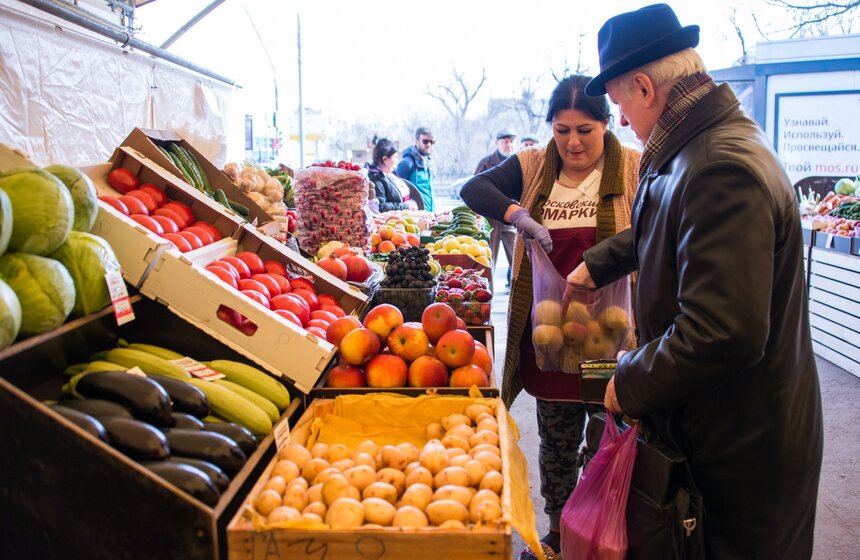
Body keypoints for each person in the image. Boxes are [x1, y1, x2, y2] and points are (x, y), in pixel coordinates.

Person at [567, 4, 823, 558]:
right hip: (724, 421)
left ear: (643, 86)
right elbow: (671, 223)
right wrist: (603, 261)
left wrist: (628, 382)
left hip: (744, 447)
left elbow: (721, 331)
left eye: (619, 107)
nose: (624, 124)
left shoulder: (718, 167)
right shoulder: (694, 146)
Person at [460, 75, 640, 560]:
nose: (573, 143)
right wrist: (518, 215)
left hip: (610, 336)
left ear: (606, 124)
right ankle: (559, 531)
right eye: (562, 130)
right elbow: (474, 188)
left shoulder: (633, 169)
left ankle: (601, 529)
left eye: (586, 130)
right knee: (556, 440)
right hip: (548, 335)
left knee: (610, 437)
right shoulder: (535, 165)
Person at [474, 129, 519, 280]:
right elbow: (474, 190)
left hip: (512, 218)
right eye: (505, 141)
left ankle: (520, 297)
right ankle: (488, 297)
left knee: (517, 260)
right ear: (497, 143)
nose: (509, 144)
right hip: (491, 218)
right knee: (488, 260)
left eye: (512, 141)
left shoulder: (519, 162)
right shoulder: (486, 162)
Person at [367, 137, 417, 212]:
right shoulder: (376, 178)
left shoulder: (390, 175)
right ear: (385, 159)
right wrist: (406, 206)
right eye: (395, 157)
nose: (397, 161)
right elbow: (381, 206)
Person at [396, 127, 435, 212]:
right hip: (415, 218)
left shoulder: (428, 163)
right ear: (417, 142)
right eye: (425, 141)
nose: (429, 144)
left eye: (431, 142)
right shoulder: (407, 164)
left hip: (430, 215)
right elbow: (397, 193)